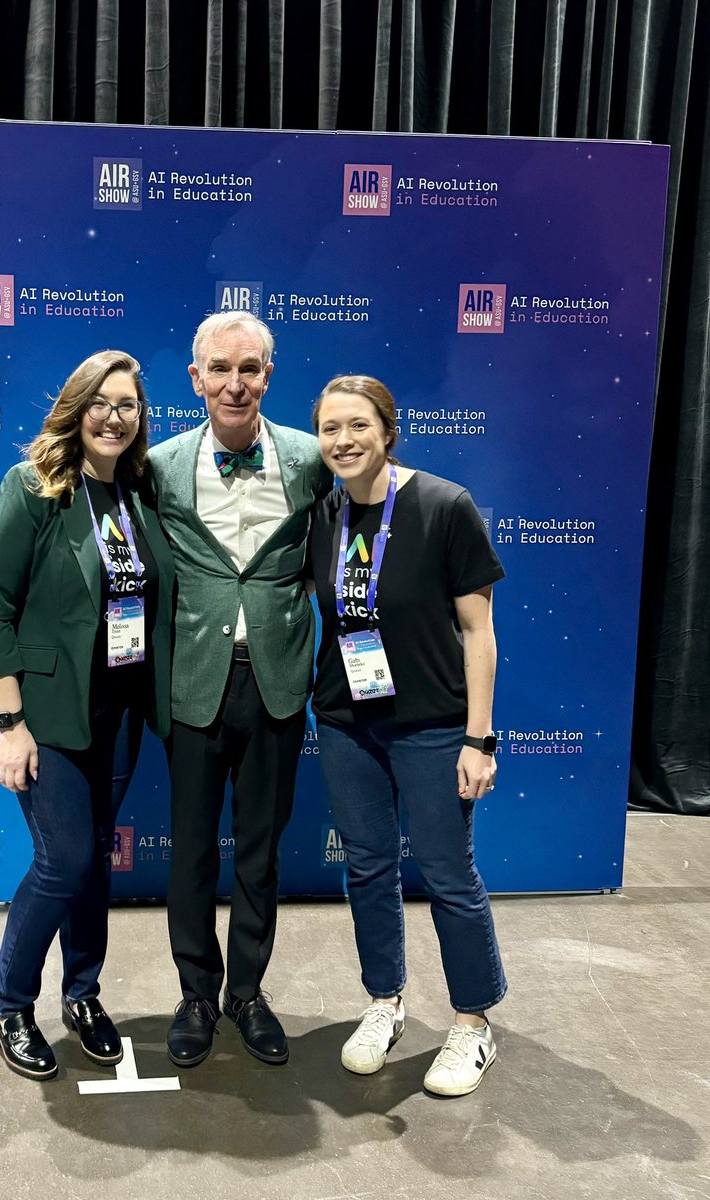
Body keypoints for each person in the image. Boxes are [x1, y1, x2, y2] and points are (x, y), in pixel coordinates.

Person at [0, 350, 175, 1082]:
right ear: (74, 406)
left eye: (128, 405)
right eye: (101, 401)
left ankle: (82, 997)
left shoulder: (138, 492)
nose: (115, 417)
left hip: (116, 713)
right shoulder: (33, 489)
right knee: (66, 862)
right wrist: (9, 724)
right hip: (46, 713)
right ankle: (7, 1005)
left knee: (93, 866)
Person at [306, 373, 507, 1097]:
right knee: (366, 868)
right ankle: (384, 1004)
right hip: (345, 722)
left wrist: (478, 740)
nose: (343, 441)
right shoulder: (324, 513)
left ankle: (472, 1024)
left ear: (389, 430)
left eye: (358, 425)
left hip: (432, 725)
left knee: (449, 875)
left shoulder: (443, 506)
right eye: (330, 428)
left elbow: (479, 633)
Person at [148, 311, 333, 1068]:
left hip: (279, 686)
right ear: (195, 380)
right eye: (219, 369)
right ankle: (196, 993)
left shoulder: (311, 456)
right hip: (193, 684)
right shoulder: (156, 466)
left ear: (269, 375)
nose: (235, 383)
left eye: (249, 368)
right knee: (191, 850)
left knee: (259, 851)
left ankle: (247, 994)